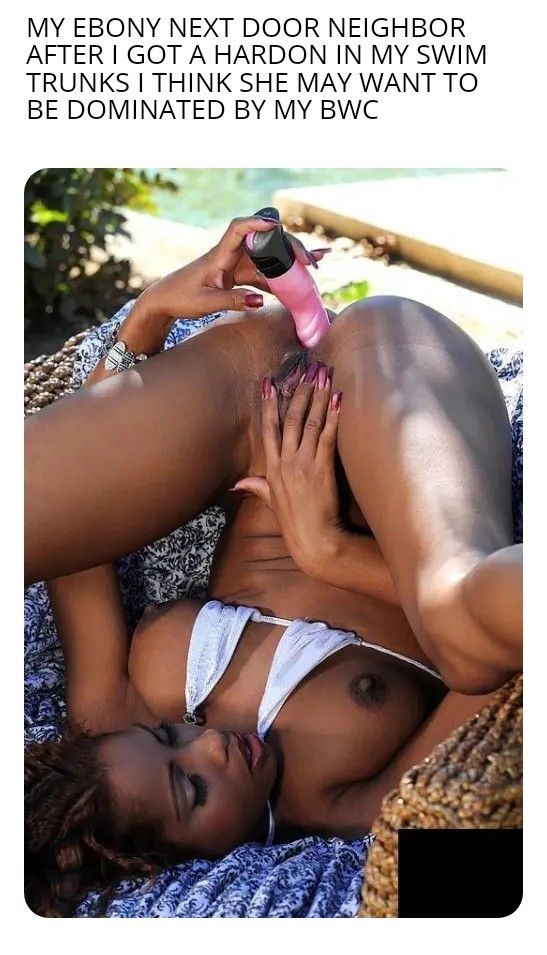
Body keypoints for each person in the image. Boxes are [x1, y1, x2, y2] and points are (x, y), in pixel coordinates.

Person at [24, 216, 522, 917]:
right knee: (459, 625)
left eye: (170, 735)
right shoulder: (338, 807)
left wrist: (150, 315)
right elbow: (504, 674)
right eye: (192, 789)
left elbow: (81, 526)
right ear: (160, 867)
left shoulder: (106, 715)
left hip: (254, 390)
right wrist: (329, 551)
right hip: (390, 375)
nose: (209, 746)